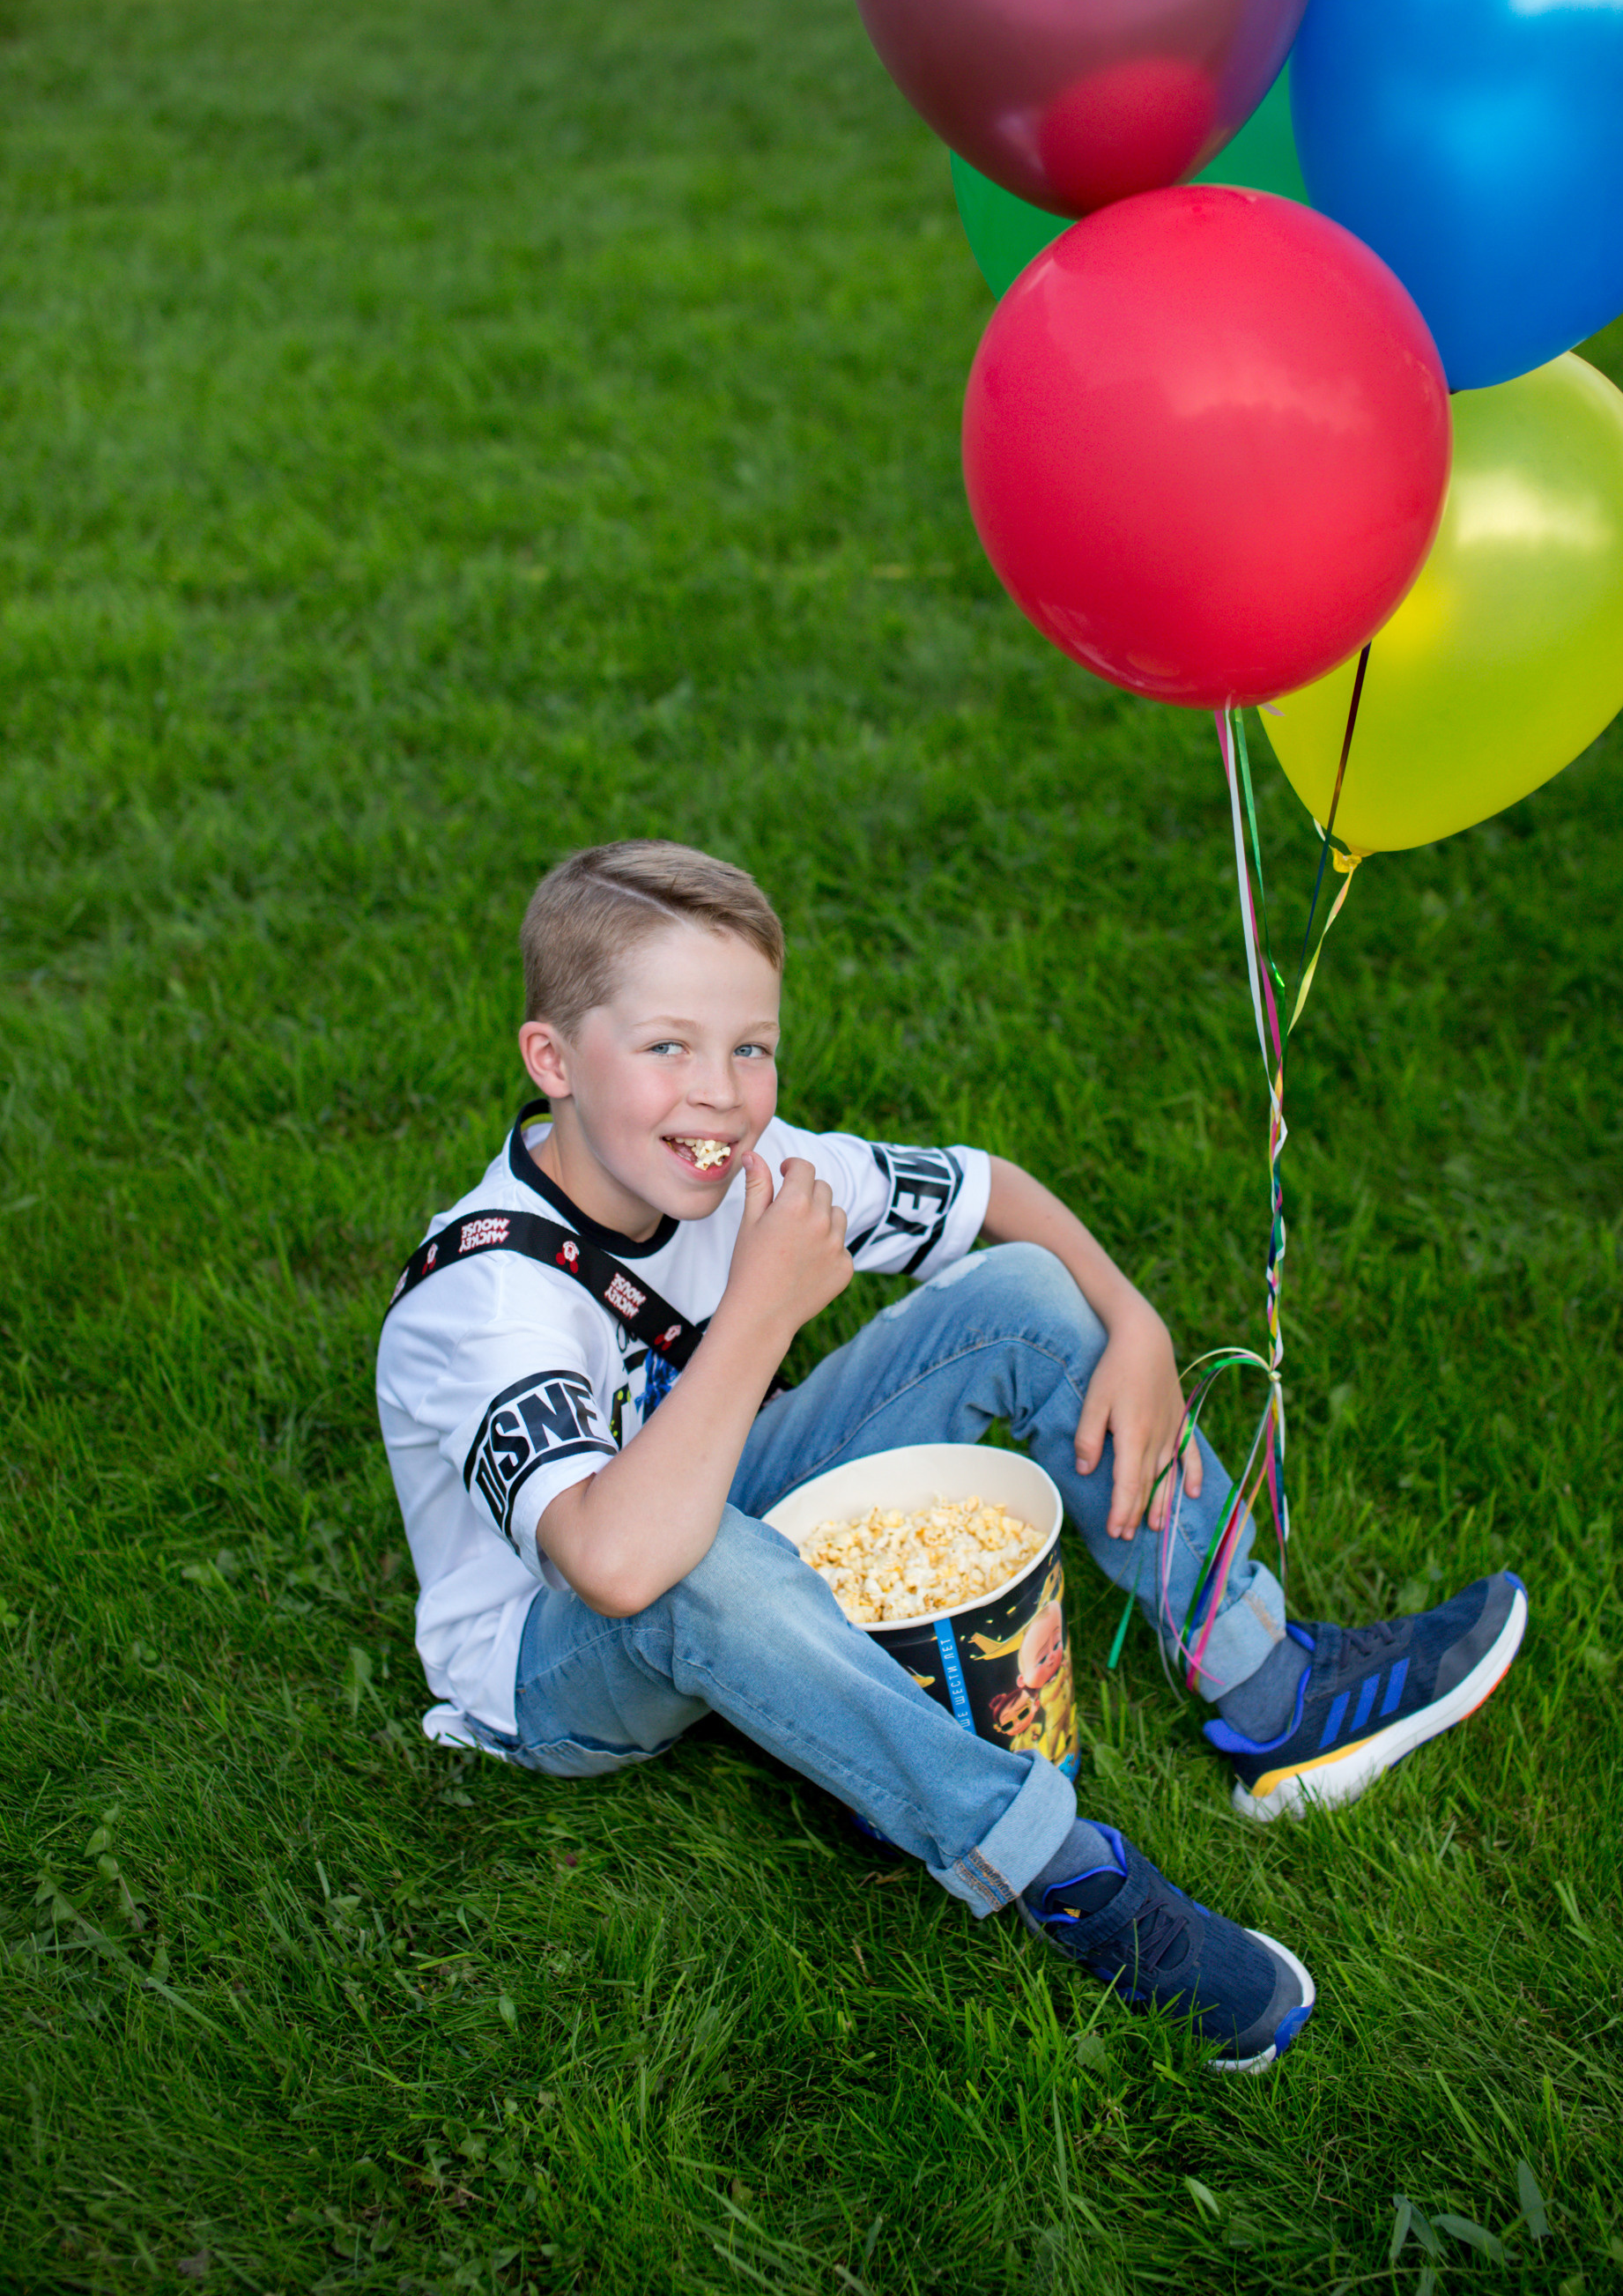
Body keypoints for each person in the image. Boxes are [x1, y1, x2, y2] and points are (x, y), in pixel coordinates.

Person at [376, 841, 1527, 2076]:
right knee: (695, 1560)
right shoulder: (483, 1302)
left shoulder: (754, 1171)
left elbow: (996, 1199)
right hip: (562, 1662)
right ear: (551, 1060)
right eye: (666, 1049)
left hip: (709, 1518)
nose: (719, 1093)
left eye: (750, 1048)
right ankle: (1066, 1874)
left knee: (1026, 1296)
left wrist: (1132, 1321)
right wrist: (765, 1308)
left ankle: (1270, 1685)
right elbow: (613, 1563)